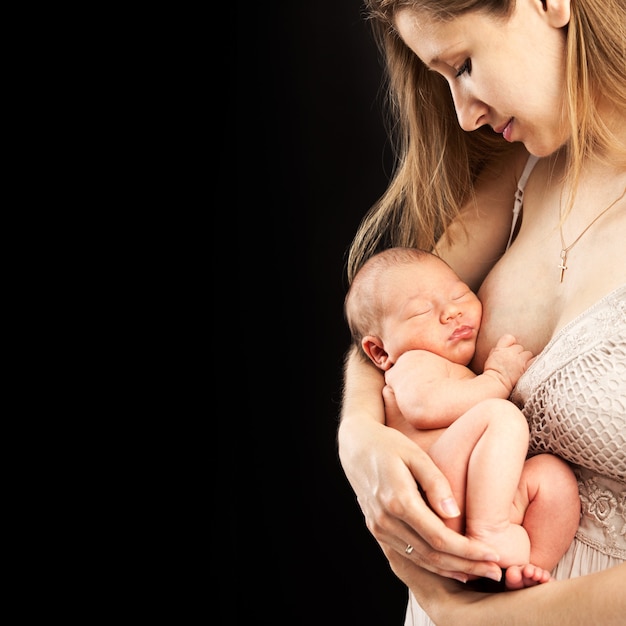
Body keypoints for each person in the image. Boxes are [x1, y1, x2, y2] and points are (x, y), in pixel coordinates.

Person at [338, 0, 626, 624]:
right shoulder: (519, 170)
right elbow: (391, 318)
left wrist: (473, 617)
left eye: (464, 65)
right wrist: (357, 436)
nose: (464, 117)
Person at [344, 246, 580, 589]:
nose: (451, 312)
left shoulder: (446, 364)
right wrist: (496, 379)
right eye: (422, 311)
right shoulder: (411, 364)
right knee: (500, 414)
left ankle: (527, 568)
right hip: (439, 492)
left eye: (460, 294)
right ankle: (489, 532)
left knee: (554, 477)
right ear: (380, 352)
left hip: (484, 495)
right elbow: (424, 408)